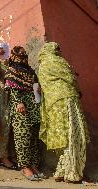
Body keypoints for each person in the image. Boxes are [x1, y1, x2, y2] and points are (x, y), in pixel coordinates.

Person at [37, 42, 90, 183]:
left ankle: (61, 171)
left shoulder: (41, 66)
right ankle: (73, 173)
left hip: (52, 106)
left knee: (62, 138)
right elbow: (71, 77)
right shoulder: (58, 61)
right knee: (74, 135)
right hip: (67, 101)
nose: (59, 52)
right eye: (58, 49)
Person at [4, 46, 42, 181]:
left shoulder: (30, 71)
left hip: (33, 105)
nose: (23, 56)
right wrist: (19, 102)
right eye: (20, 54)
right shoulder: (11, 70)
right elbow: (13, 89)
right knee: (23, 136)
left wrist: (38, 91)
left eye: (24, 54)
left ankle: (33, 164)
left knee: (33, 136)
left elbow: (36, 85)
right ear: (14, 56)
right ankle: (25, 166)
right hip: (21, 107)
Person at [0, 43, 18, 170]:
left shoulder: (8, 64)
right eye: (1, 54)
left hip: (12, 99)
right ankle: (3, 157)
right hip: (2, 101)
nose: (3, 56)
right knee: (4, 128)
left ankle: (11, 155)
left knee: (12, 129)